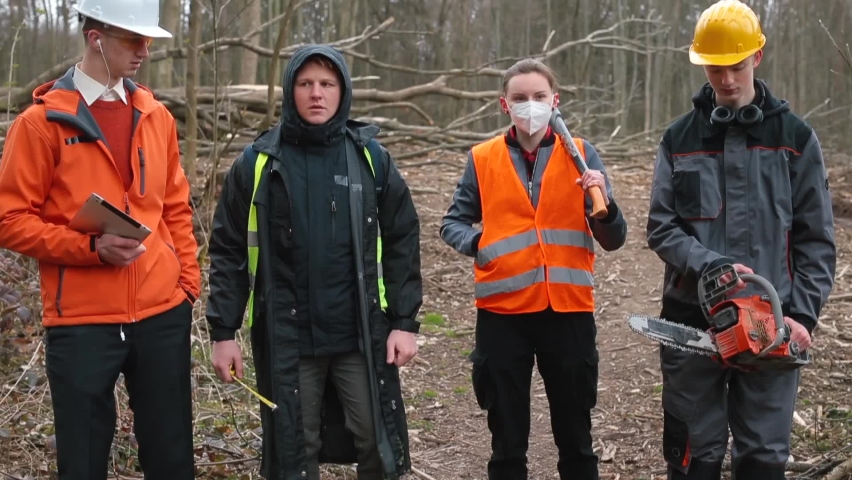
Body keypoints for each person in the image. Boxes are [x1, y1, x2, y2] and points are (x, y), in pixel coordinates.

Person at [0, 1, 201, 479]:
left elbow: (175, 207)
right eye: (134, 40)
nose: (145, 52)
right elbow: (9, 219)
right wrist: (90, 250)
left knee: (172, 457)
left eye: (148, 41)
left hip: (161, 312)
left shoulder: (156, 116)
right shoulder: (40, 123)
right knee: (83, 460)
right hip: (82, 320)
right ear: (96, 37)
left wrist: (187, 286)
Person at [205, 44, 423, 480]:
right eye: (306, 84)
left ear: (343, 91)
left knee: (378, 441)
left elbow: (402, 237)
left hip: (358, 332)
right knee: (292, 449)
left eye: (327, 84)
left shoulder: (370, 158)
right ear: (290, 91)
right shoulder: (258, 163)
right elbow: (228, 249)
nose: (316, 94)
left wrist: (404, 321)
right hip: (288, 336)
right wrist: (222, 331)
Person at [645, 1, 836, 479]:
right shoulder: (679, 138)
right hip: (694, 320)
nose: (726, 79)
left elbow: (816, 240)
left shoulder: (795, 139)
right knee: (693, 456)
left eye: (736, 65)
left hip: (772, 326)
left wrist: (801, 315)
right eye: (715, 67)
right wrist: (707, 264)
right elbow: (662, 226)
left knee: (763, 459)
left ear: (757, 58)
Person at [440, 58, 628, 480]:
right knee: (506, 443)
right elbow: (452, 223)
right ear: (504, 105)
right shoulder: (483, 158)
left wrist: (603, 206)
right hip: (502, 315)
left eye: (539, 97)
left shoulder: (580, 153)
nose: (530, 105)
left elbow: (615, 238)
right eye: (520, 98)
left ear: (554, 101)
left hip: (568, 311)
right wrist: (478, 244)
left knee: (576, 440)